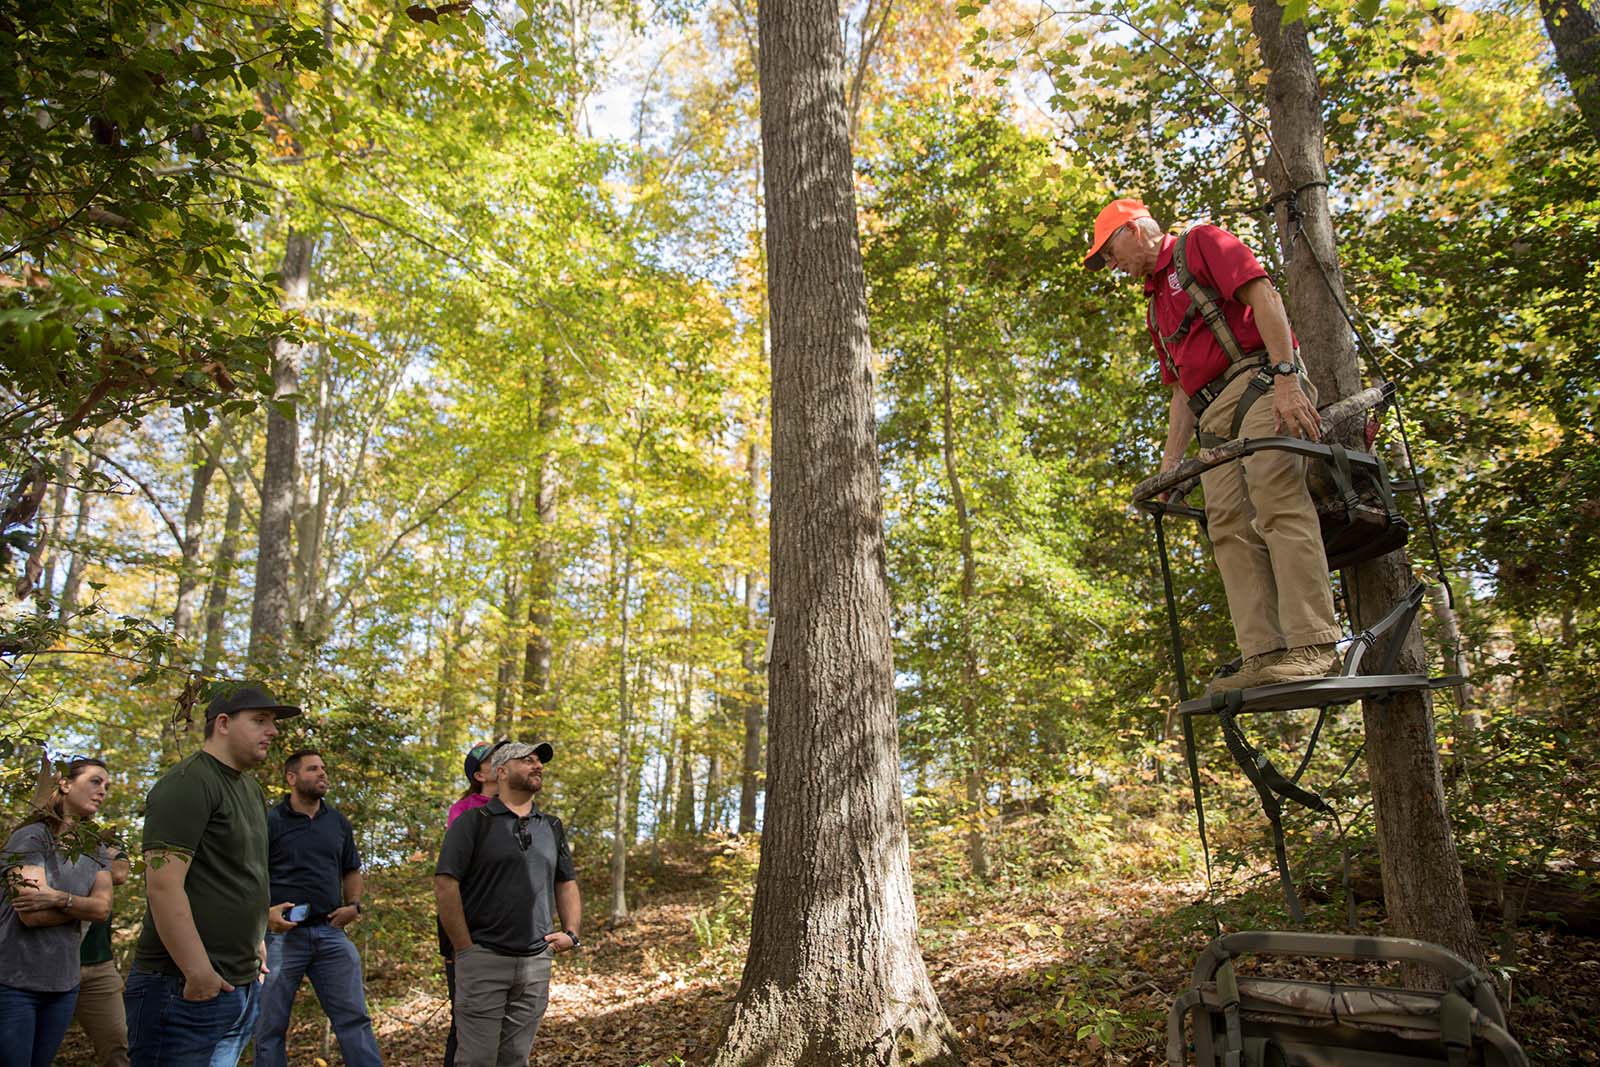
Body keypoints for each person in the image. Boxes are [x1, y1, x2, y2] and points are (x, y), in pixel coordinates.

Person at [1085, 198, 1343, 690]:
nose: (1111, 264)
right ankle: (1262, 655)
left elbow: (1264, 294)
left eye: (1110, 251)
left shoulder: (1199, 244)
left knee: (1276, 497)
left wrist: (1288, 378)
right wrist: (1171, 465)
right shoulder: (1155, 309)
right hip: (1213, 415)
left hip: (1264, 384)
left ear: (1136, 230)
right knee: (1225, 523)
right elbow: (1182, 389)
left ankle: (1314, 644)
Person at [125, 682, 300, 1067]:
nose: (272, 731)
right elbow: (163, 886)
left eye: (272, 722)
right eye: (259, 720)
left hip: (238, 988)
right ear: (222, 723)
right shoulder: (188, 784)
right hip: (180, 990)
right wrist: (198, 972)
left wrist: (254, 940)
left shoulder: (251, 790)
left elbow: (240, 874)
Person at [434, 740, 580, 1067]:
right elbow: (445, 884)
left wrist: (571, 933)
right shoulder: (472, 822)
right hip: (483, 958)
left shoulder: (551, 826)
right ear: (501, 771)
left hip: (535, 963)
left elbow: (566, 881)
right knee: (477, 1059)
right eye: (526, 760)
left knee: (515, 1058)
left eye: (539, 761)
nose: (537, 765)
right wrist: (465, 948)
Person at [254, 749, 382, 1067]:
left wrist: (354, 905)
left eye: (324, 768)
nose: (322, 773)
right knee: (269, 1025)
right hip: (281, 936)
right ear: (292, 778)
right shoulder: (270, 821)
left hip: (329, 933)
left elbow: (351, 869)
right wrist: (263, 915)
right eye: (313, 769)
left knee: (354, 1019)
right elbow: (251, 875)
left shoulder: (337, 822)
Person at [0, 756, 115, 1067]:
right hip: (13, 983)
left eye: (106, 786)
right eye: (95, 781)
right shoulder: (32, 837)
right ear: (65, 784)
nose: (103, 791)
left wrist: (57, 898)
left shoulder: (94, 847)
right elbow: (31, 914)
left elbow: (103, 909)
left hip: (63, 984)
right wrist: (83, 906)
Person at [442, 739, 508, 1067]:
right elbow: (456, 872)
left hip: (508, 931)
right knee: (465, 1019)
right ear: (480, 775)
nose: (500, 760)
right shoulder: (463, 810)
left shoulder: (520, 807)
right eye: (492, 758)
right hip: (469, 929)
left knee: (507, 1025)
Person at [72, 844, 132, 1067]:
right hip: (47, 963)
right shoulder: (38, 834)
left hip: (99, 968)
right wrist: (99, 862)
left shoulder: (100, 839)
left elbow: (119, 873)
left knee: (119, 1044)